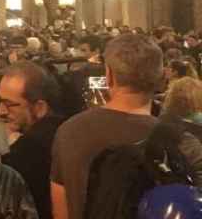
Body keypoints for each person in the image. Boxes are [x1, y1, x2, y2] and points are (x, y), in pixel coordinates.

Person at [50, 34, 202, 219]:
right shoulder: (184, 142)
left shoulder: (69, 132)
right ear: (162, 79)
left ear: (109, 76)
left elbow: (60, 211)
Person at [0, 62, 64, 219]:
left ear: (40, 108)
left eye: (10, 105)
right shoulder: (69, 128)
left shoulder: (27, 149)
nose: (1, 111)